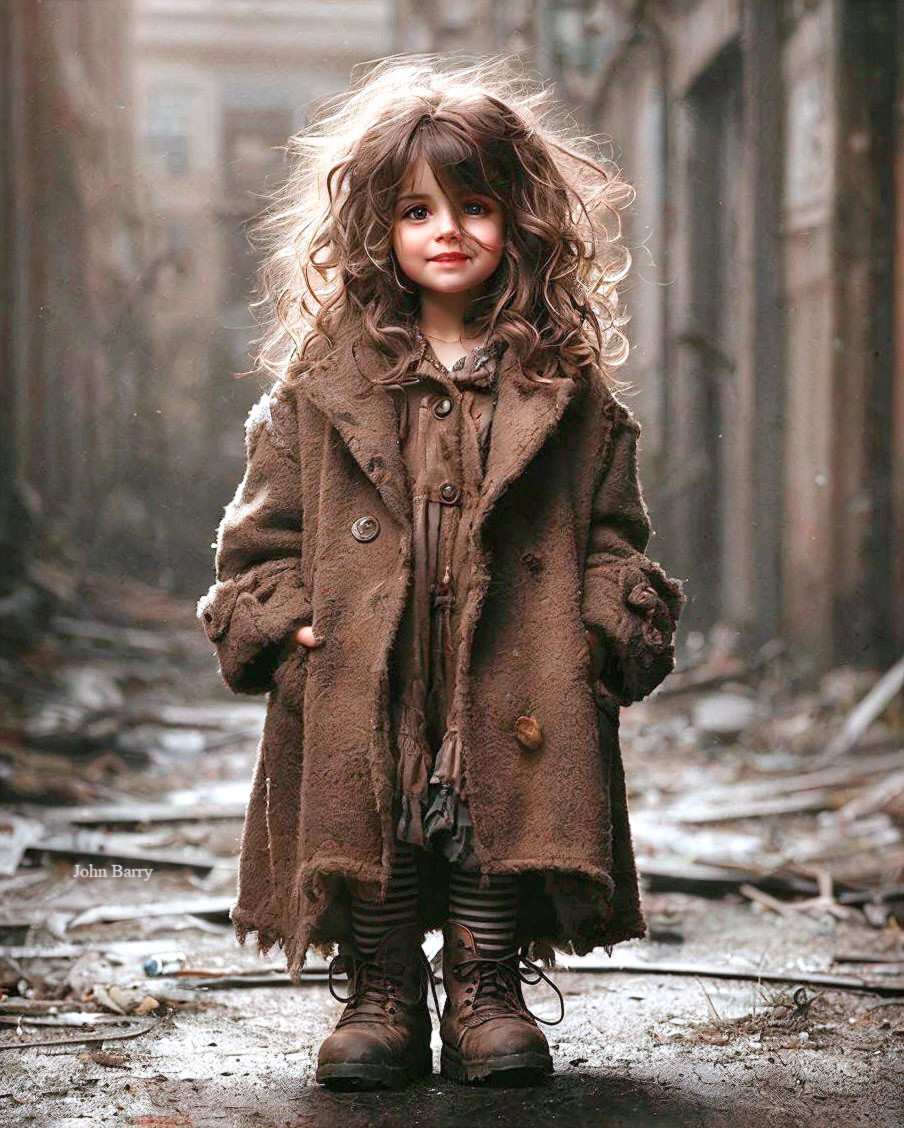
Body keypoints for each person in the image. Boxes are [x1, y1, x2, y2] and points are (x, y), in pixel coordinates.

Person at [197, 55, 686, 1091]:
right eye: (416, 211)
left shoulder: (565, 389)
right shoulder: (320, 387)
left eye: (474, 205)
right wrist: (286, 624)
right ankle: (378, 988)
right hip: (371, 651)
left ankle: (485, 985)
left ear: (520, 221)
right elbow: (260, 536)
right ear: (377, 230)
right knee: (379, 799)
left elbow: (611, 530)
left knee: (488, 799)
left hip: (508, 644)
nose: (446, 229)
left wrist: (595, 628)